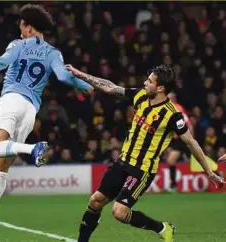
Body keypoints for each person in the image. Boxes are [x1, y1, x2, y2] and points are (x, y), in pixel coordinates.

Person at [0, 4, 92, 241]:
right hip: (31, 110)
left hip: (11, 100)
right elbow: (62, 76)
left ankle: (32, 148)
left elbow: (1, 61)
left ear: (29, 28)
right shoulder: (53, 53)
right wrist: (83, 85)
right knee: (2, 168)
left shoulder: (17, 45)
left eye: (21, 27)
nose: (20, 31)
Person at [66, 64, 225, 242]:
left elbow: (191, 143)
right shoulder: (140, 96)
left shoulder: (172, 115)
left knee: (119, 212)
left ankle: (162, 228)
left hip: (141, 170)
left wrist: (209, 171)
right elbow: (110, 87)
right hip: (122, 162)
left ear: (160, 88)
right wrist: (81, 74)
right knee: (95, 201)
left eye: (149, 81)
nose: (144, 83)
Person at [165, 92, 193, 192]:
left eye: (169, 98)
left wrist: (191, 139)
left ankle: (216, 173)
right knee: (171, 160)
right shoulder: (167, 109)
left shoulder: (178, 108)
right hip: (177, 141)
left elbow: (187, 123)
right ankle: (173, 185)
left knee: (198, 160)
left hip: (184, 139)